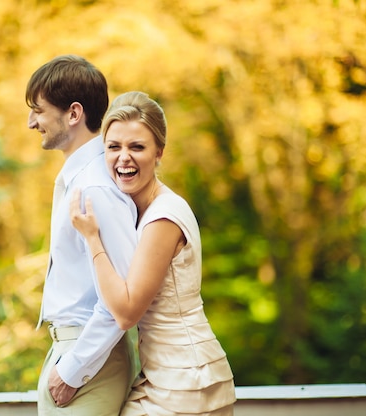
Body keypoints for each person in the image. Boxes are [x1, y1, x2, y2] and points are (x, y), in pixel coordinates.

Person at [70, 91, 236, 415]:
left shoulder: (163, 216)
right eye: (114, 147)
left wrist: (92, 239)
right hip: (160, 374)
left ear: (159, 152)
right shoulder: (138, 212)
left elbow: (126, 312)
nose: (123, 158)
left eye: (137, 147)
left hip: (185, 379)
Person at [26, 55, 138, 415]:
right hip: (70, 350)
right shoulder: (78, 179)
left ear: (74, 114)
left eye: (38, 111)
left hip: (90, 360)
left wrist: (72, 371)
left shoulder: (97, 187)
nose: (31, 122)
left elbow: (121, 295)